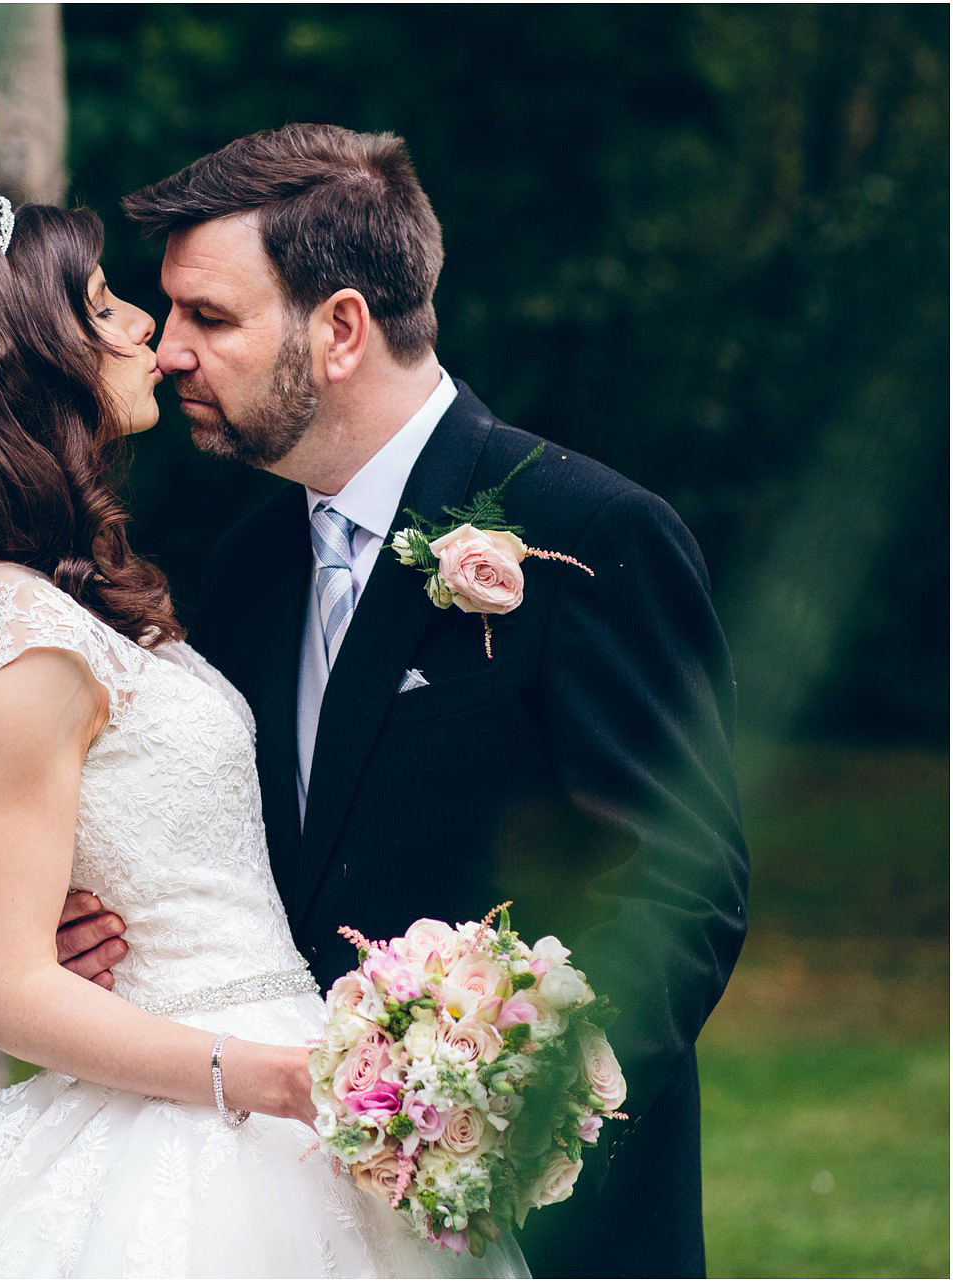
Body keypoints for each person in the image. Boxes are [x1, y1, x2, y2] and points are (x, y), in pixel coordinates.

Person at [0, 195, 526, 1278]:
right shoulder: (16, 627)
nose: (147, 328)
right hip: (221, 1112)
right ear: (20, 365)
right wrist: (286, 1081)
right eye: (102, 306)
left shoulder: (57, 595)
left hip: (278, 1062)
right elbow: (5, 988)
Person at [57, 124, 749, 1277]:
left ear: (340, 329)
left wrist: (503, 1109)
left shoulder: (589, 534)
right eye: (170, 314)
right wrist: (118, 929)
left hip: (542, 1216)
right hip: (287, 1200)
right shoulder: (246, 565)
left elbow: (681, 889)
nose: (168, 350)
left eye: (208, 316)